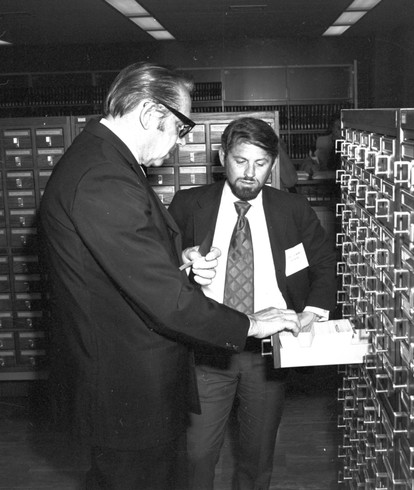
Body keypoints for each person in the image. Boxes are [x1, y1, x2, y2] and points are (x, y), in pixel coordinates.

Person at [38, 62, 300, 490]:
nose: (180, 144)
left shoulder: (102, 159)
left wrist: (178, 264)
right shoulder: (104, 176)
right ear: (149, 114)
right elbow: (165, 303)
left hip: (130, 384)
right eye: (180, 129)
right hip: (129, 389)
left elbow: (114, 272)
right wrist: (252, 322)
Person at [169, 116, 337, 490]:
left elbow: (324, 265)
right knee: (197, 455)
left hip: (267, 353)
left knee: (258, 456)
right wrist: (183, 260)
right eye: (241, 161)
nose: (250, 173)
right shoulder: (188, 204)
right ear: (221, 156)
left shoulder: (292, 209)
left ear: (272, 165)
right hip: (209, 346)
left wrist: (312, 312)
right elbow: (160, 269)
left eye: (261, 164)